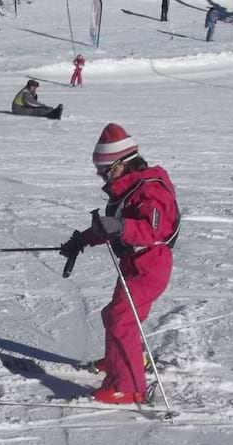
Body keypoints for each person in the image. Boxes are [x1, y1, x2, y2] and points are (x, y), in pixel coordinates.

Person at [60, 124, 179, 404]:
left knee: (120, 317)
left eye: (105, 170)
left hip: (151, 264)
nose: (102, 176)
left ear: (122, 164)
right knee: (120, 315)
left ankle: (129, 386)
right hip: (134, 262)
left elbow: (153, 231)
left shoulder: (151, 190)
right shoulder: (130, 188)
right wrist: (83, 239)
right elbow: (113, 227)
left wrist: (120, 226)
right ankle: (123, 358)